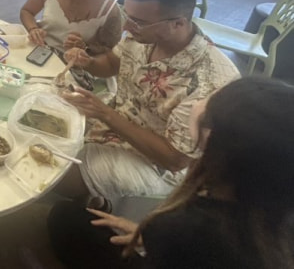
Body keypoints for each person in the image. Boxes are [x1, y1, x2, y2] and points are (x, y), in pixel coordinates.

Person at [48, 77, 294, 269]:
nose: (200, 104)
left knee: (64, 218)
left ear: (219, 150)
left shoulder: (183, 226)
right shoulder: (271, 213)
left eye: (210, 114)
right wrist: (148, 237)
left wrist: (156, 239)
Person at [54, 0, 239, 205]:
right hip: (115, 122)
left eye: (138, 22)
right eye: (126, 15)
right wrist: (88, 62)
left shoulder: (210, 81)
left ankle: (100, 200)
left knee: (57, 173)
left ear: (178, 23)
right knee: (48, 123)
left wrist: (105, 114)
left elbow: (174, 160)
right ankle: (94, 198)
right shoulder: (141, 36)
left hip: (156, 166)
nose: (126, 27)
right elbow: (112, 63)